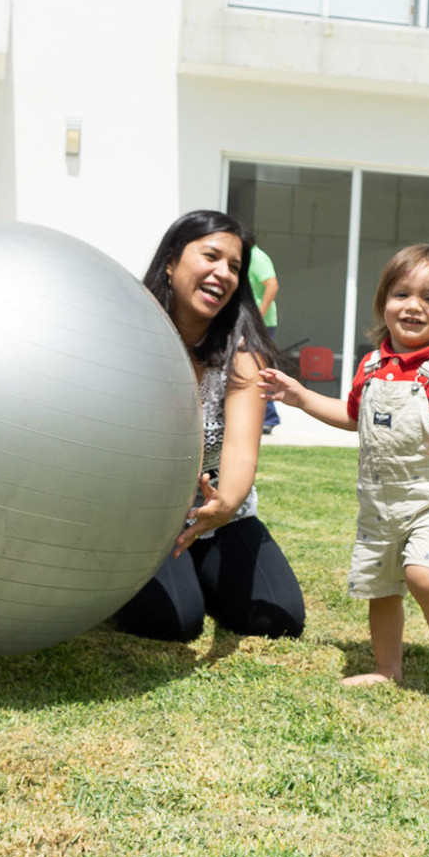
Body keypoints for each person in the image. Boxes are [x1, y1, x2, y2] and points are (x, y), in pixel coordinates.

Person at [260, 244, 429, 712]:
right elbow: (354, 417)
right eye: (401, 294)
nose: (414, 306)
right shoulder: (371, 366)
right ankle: (387, 667)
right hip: (379, 504)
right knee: (381, 586)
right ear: (383, 302)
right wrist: (301, 397)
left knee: (424, 576)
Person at [112, 210, 307, 643]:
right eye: (211, 256)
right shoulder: (128, 340)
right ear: (171, 261)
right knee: (172, 623)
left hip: (218, 514)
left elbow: (239, 451)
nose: (223, 273)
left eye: (234, 267)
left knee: (275, 619)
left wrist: (224, 505)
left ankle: (198, 569)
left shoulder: (244, 355)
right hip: (142, 516)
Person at [248, 244, 281, 434]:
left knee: (260, 369)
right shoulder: (242, 256)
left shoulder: (256, 257)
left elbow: (272, 285)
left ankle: (269, 418)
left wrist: (258, 316)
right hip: (247, 322)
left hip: (261, 324)